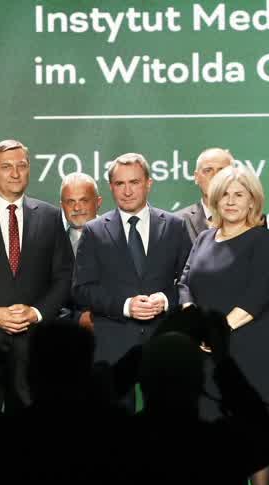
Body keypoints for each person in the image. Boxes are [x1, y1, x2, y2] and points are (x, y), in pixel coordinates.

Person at [178, 162, 269, 485]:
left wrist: (218, 331)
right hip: (206, 351)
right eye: (225, 195)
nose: (232, 201)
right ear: (214, 200)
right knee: (210, 433)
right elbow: (185, 282)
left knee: (253, 430)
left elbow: (259, 294)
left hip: (248, 347)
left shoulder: (260, 239)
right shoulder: (204, 238)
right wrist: (195, 320)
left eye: (240, 195)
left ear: (253, 201)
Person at [0, 139, 73, 407]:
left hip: (36, 342)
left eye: (22, 165)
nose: (16, 173)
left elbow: (64, 275)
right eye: (6, 167)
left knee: (33, 422)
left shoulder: (51, 216)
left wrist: (37, 312)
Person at [72, 152, 192, 404]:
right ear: (111, 187)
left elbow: (188, 281)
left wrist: (164, 300)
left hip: (163, 342)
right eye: (120, 183)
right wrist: (125, 306)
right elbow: (82, 289)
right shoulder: (94, 231)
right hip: (113, 345)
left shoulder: (174, 226)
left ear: (148, 183)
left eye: (134, 182)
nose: (127, 191)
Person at [59, 171, 102, 327]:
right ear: (62, 206)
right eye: (70, 201)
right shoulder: (52, 244)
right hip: (68, 333)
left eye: (84, 200)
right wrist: (77, 319)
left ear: (98, 202)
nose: (77, 207)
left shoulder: (121, 237)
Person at [176, 147, 235, 238]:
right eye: (208, 170)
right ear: (196, 177)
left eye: (221, 171)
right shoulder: (178, 222)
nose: (215, 176)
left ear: (233, 177)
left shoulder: (251, 222)